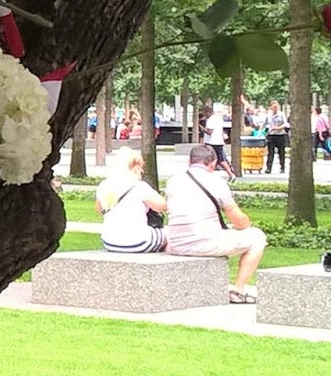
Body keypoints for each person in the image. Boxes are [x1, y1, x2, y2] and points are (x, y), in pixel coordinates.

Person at [165, 144, 268, 303]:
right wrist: (246, 223)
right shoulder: (216, 181)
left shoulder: (173, 181)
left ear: (189, 161)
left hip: (176, 243)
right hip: (203, 243)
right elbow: (240, 221)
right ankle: (238, 290)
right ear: (213, 163)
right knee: (257, 238)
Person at [96, 148, 166, 253]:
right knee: (170, 234)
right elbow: (162, 206)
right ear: (135, 168)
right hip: (138, 241)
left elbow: (99, 208)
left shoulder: (104, 185)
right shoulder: (139, 186)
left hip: (109, 242)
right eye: (141, 167)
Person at [201, 105, 231, 176]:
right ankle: (230, 174)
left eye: (205, 113)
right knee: (219, 159)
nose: (204, 115)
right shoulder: (218, 119)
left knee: (212, 159)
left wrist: (202, 128)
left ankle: (208, 173)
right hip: (218, 141)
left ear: (208, 112)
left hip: (212, 142)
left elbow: (209, 132)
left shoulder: (211, 120)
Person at [265, 100, 288, 175]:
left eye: (276, 107)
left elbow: (285, 124)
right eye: (274, 107)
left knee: (281, 152)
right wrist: (260, 132)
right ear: (271, 107)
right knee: (270, 152)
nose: (275, 108)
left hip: (280, 135)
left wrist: (278, 128)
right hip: (271, 135)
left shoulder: (281, 114)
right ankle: (268, 168)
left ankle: (282, 167)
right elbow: (264, 123)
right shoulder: (268, 115)